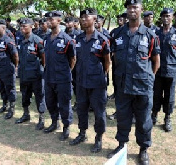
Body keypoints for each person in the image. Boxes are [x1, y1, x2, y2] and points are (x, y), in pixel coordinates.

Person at [107, 0, 160, 165]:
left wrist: (147, 77)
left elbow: (156, 62)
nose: (132, 10)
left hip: (143, 85)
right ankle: (121, 145)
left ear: (141, 10)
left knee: (144, 119)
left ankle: (143, 149)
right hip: (123, 85)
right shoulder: (117, 34)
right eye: (129, 8)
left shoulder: (150, 35)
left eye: (135, 7)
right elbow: (114, 57)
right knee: (123, 116)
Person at [69, 8, 110, 153]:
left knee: (99, 112)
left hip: (97, 84)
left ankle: (98, 138)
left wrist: (100, 76)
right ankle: (82, 133)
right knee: (81, 109)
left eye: (86, 17)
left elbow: (107, 62)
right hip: (81, 82)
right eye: (82, 17)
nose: (83, 20)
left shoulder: (102, 40)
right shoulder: (78, 39)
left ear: (94, 19)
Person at [43, 11, 76, 141]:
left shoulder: (67, 39)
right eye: (47, 20)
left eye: (51, 19)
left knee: (64, 104)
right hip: (49, 76)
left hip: (63, 78)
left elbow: (73, 59)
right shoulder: (46, 39)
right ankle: (54, 122)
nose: (48, 22)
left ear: (58, 21)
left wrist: (65, 71)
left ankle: (66, 127)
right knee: (50, 102)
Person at [152, 8, 176, 132]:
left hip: (171, 70)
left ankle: (167, 118)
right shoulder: (156, 33)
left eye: (168, 16)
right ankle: (154, 115)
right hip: (158, 70)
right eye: (163, 16)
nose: (166, 18)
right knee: (156, 94)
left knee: (169, 95)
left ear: (172, 18)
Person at [15, 18, 46, 130]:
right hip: (24, 74)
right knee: (25, 96)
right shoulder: (21, 41)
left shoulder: (38, 41)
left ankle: (41, 118)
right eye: (21, 27)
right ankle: (26, 114)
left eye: (25, 26)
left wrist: (40, 70)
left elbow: (43, 58)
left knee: (39, 97)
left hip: (36, 75)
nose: (22, 29)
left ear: (32, 26)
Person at [0, 19, 19, 119]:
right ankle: (5, 105)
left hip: (7, 69)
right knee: (1, 88)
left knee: (10, 88)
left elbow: (15, 55)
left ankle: (11, 109)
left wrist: (15, 66)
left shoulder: (8, 40)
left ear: (3, 28)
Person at [107, 14, 127, 120]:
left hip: (131, 68)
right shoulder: (116, 32)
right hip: (118, 65)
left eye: (122, 18)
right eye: (118, 18)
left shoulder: (133, 31)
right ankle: (118, 112)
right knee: (119, 87)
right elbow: (112, 46)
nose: (120, 20)